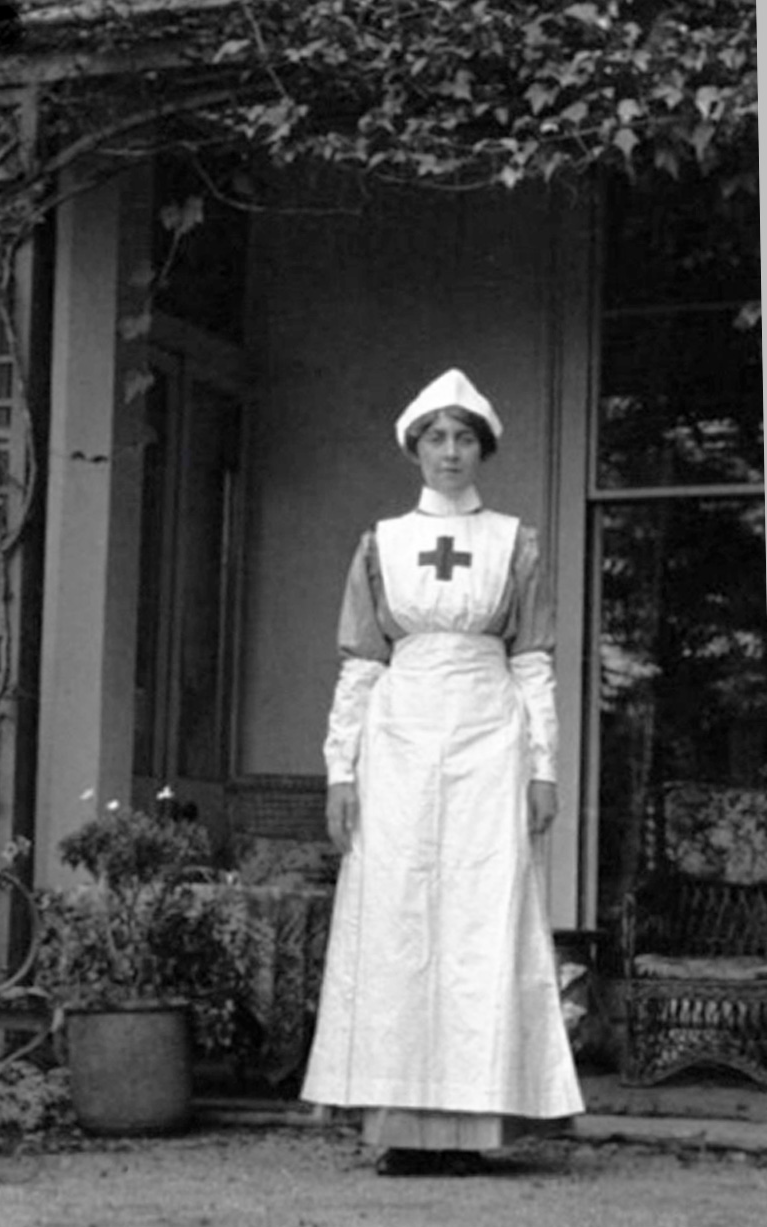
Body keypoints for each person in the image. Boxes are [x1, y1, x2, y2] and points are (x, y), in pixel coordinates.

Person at [301, 369, 584, 1175]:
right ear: (414, 449)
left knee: (477, 924)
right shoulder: (380, 543)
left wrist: (543, 766)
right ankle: (397, 1123)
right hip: (398, 739)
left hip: (490, 736)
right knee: (396, 919)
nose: (450, 452)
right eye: (436, 438)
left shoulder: (514, 541)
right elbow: (359, 663)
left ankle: (476, 1125)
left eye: (464, 438)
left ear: (482, 449)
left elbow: (533, 660)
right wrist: (340, 772)